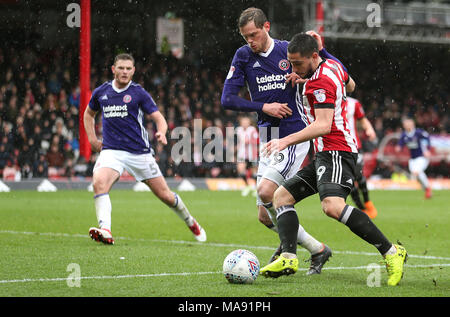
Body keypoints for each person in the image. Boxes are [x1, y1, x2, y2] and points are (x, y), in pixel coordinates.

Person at [260, 33, 407, 286]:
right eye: (291, 63)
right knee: (281, 197)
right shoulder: (332, 65)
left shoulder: (321, 82)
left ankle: (392, 252)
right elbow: (351, 86)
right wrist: (304, 73)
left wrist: (284, 141)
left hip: (337, 150)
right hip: (324, 154)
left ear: (314, 56)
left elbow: (324, 126)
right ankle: (288, 256)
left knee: (332, 206)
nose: (293, 70)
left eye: (298, 64)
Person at [221, 7, 348, 274]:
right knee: (264, 216)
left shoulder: (287, 51)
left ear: (266, 26)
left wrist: (315, 61)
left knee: (267, 192)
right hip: (268, 135)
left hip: (292, 132)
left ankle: (288, 253)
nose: (250, 42)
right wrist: (263, 107)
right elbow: (227, 99)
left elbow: (327, 70)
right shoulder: (243, 56)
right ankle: (317, 249)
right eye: (246, 37)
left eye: (254, 35)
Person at [84, 53, 206, 245]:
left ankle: (190, 221)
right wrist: (92, 139)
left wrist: (162, 132)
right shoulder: (102, 92)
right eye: (121, 68)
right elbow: (88, 114)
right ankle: (105, 230)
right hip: (111, 151)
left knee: (164, 195)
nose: (124, 72)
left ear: (133, 71)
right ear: (113, 69)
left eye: (128, 69)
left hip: (138, 152)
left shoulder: (138, 93)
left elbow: (159, 118)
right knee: (99, 183)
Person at [346, 96, 378, 218]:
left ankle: (368, 202)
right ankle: (362, 208)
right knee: (349, 182)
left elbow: (362, 119)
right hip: (336, 147)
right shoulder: (328, 100)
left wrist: (370, 129)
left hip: (354, 146)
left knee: (359, 176)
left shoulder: (353, 103)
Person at [396, 118, 432, 199]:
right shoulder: (404, 135)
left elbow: (428, 138)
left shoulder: (419, 132)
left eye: (407, 124)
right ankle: (426, 188)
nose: (405, 126)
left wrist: (428, 150)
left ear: (412, 125)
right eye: (404, 125)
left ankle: (428, 189)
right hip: (412, 159)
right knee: (416, 175)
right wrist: (398, 147)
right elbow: (400, 144)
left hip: (422, 157)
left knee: (417, 172)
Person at [235, 115, 259, 197]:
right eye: (243, 122)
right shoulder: (238, 130)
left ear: (249, 123)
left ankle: (257, 188)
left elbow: (255, 140)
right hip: (241, 154)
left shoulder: (252, 130)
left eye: (246, 122)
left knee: (254, 172)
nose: (245, 123)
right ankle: (247, 186)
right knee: (241, 171)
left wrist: (249, 141)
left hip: (251, 154)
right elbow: (238, 141)